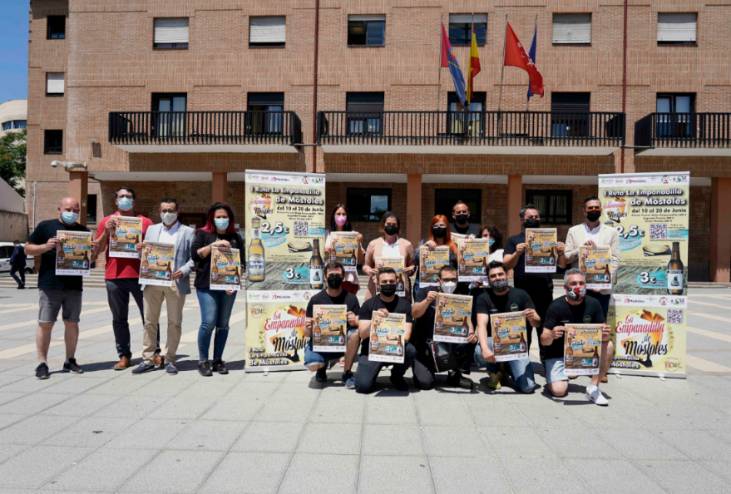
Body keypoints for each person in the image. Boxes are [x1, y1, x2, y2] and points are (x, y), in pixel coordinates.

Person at [25, 197, 96, 379]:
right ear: (59, 209)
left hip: (74, 285)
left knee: (72, 323)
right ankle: (42, 363)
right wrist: (45, 246)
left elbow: (91, 260)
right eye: (68, 209)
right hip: (50, 284)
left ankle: (70, 359)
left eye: (76, 210)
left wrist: (93, 250)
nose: (72, 213)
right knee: (45, 323)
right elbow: (28, 249)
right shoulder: (45, 226)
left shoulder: (83, 231)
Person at [132, 197, 195, 375]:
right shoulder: (152, 229)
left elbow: (194, 258)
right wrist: (140, 251)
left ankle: (170, 358)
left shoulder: (188, 232)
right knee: (149, 321)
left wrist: (183, 270)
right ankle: (148, 358)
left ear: (177, 212)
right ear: (160, 212)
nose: (167, 214)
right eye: (164, 210)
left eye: (171, 210)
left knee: (174, 322)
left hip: (175, 282)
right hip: (153, 281)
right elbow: (145, 256)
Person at [95, 186, 154, 370]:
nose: (125, 199)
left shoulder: (146, 222)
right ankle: (124, 355)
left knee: (149, 317)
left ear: (133, 201)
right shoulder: (106, 221)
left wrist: (145, 247)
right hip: (114, 276)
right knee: (119, 318)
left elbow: (155, 249)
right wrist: (106, 232)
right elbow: (97, 249)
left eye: (128, 196)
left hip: (141, 276)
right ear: (115, 200)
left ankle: (154, 352)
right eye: (121, 196)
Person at [541, 269, 613, 406]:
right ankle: (562, 374)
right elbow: (544, 340)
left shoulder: (594, 303)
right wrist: (552, 335)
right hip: (558, 355)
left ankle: (593, 388)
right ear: (565, 288)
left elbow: (603, 334)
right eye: (573, 284)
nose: (578, 287)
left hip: (583, 351)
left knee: (608, 345)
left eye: (581, 283)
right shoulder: (556, 306)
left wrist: (605, 334)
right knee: (558, 391)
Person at [191, 202, 245, 376]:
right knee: (208, 322)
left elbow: (241, 263)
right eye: (218, 217)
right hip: (206, 286)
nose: (222, 219)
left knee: (223, 324)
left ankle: (217, 360)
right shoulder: (202, 234)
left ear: (230, 219)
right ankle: (203, 360)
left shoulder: (236, 237)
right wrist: (214, 245)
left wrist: (234, 282)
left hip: (228, 287)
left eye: (225, 217)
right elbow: (195, 255)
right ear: (212, 218)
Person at [503, 204, 566, 349]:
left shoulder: (548, 239)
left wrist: (561, 252)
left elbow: (562, 266)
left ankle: (546, 360)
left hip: (544, 292)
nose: (534, 219)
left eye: (536, 217)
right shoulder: (514, 240)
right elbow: (506, 264)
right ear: (522, 220)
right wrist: (517, 253)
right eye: (530, 217)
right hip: (522, 293)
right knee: (523, 332)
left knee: (545, 330)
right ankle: (522, 360)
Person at [473, 261, 540, 393]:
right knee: (479, 351)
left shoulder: (521, 294)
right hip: (495, 343)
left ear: (507, 275)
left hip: (516, 347)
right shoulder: (483, 298)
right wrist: (485, 349)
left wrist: (533, 318)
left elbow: (537, 323)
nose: (497, 278)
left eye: (500, 274)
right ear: (488, 279)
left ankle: (507, 369)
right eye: (493, 276)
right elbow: (481, 325)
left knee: (528, 387)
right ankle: (494, 370)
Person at [412, 265, 477, 389]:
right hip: (426, 344)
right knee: (425, 383)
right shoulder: (426, 291)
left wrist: (471, 332)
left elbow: (467, 317)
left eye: (453, 279)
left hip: (448, 338)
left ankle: (455, 374)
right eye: (446, 280)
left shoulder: (461, 293)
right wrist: (427, 301)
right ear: (439, 280)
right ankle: (428, 367)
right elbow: (415, 313)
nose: (450, 283)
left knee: (471, 340)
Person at [355, 268, 416, 393]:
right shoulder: (368, 305)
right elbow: (363, 334)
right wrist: (375, 321)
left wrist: (389, 341)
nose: (388, 284)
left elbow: (406, 335)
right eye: (384, 282)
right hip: (372, 351)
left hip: (394, 348)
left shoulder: (405, 305)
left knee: (410, 350)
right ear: (378, 283)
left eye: (391, 281)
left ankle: (396, 376)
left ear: (397, 281)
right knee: (363, 387)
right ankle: (372, 371)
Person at [561, 196, 620, 318]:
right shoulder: (573, 231)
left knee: (599, 323)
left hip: (601, 289)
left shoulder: (612, 232)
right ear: (584, 211)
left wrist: (603, 282)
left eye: (596, 207)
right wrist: (580, 250)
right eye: (590, 208)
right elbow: (567, 257)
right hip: (578, 287)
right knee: (577, 321)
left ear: (601, 210)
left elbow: (615, 259)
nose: (594, 210)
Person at [304, 261, 361, 386]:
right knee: (312, 364)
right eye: (331, 275)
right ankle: (321, 368)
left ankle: (347, 373)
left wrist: (355, 320)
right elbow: (307, 333)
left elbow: (361, 325)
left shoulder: (351, 298)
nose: (334, 278)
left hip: (342, 342)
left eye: (338, 275)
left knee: (356, 333)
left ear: (343, 277)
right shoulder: (316, 299)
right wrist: (308, 326)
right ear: (325, 277)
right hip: (321, 341)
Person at [363, 211, 415, 299]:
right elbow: (366, 265)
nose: (391, 226)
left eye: (394, 224)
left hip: (400, 291)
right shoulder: (373, 244)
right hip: (377, 291)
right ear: (383, 225)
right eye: (388, 224)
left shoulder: (407, 245)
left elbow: (412, 265)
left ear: (398, 226)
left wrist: (410, 269)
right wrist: (369, 271)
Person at [324, 204, 365, 294]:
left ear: (347, 217)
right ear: (333, 216)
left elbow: (361, 260)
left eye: (344, 214)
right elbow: (324, 257)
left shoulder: (354, 235)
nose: (341, 216)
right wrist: (328, 250)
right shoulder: (327, 235)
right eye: (338, 214)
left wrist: (358, 243)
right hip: (332, 279)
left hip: (349, 280)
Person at [412, 214, 459, 293]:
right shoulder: (424, 242)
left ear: (447, 227)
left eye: (442, 225)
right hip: (426, 287)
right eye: (436, 226)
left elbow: (458, 265)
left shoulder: (454, 245)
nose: (439, 228)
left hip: (447, 287)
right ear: (432, 228)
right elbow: (415, 260)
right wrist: (424, 247)